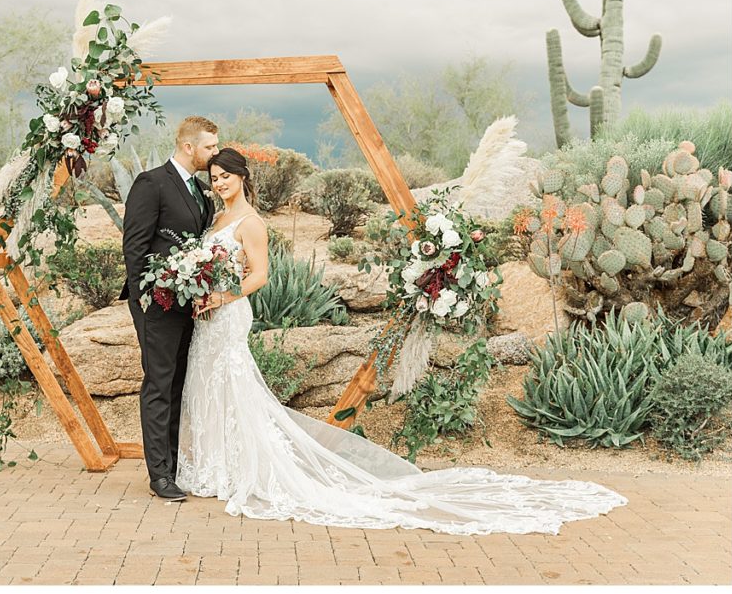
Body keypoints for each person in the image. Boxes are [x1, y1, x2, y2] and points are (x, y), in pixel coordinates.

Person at [175, 147, 628, 535]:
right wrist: (200, 290)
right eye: (214, 179)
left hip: (230, 311)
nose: (220, 185)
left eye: (227, 178)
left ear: (243, 179)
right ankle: (217, 465)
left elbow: (260, 276)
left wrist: (221, 293)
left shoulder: (251, 222)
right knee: (209, 384)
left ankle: (244, 468)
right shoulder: (218, 215)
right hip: (208, 315)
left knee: (234, 385)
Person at [121, 116, 220, 501]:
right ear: (189, 146)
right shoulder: (152, 183)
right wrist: (146, 299)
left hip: (186, 305)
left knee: (178, 384)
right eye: (210, 147)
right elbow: (135, 248)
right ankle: (158, 474)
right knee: (159, 384)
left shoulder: (197, 189)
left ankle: (173, 467)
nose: (214, 153)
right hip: (155, 305)